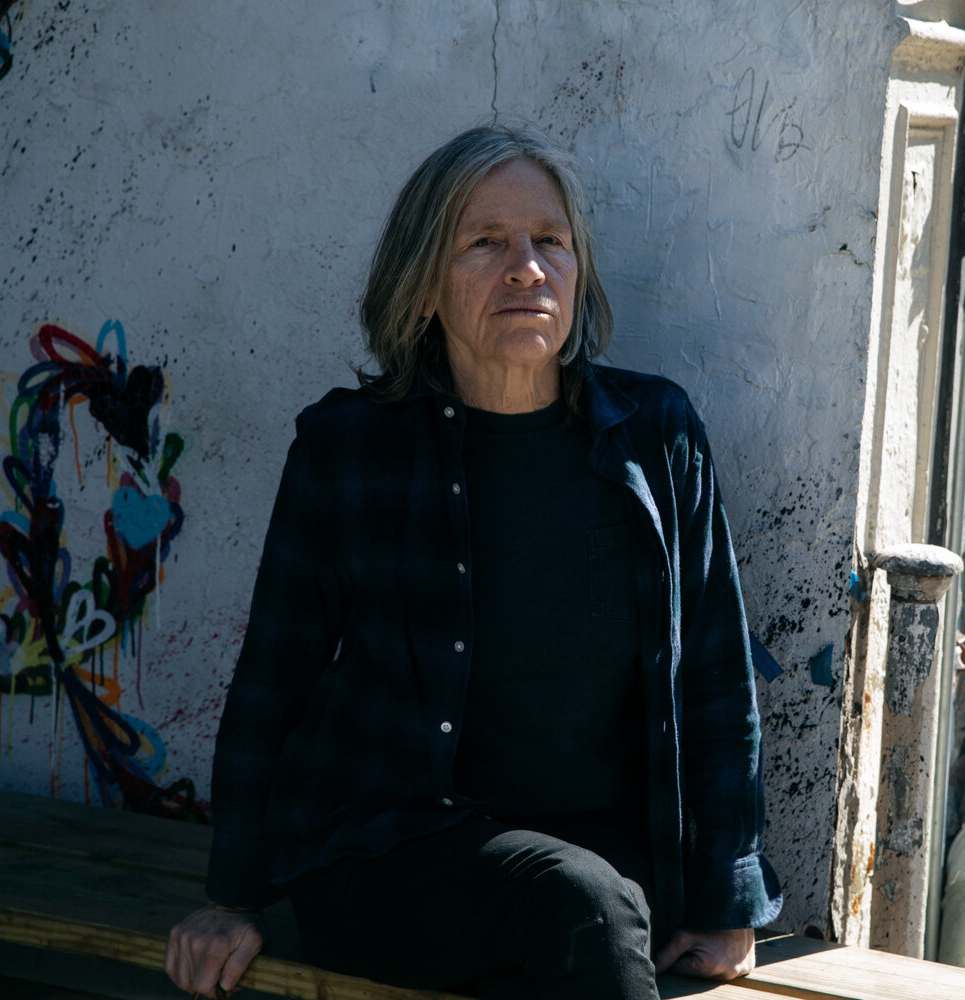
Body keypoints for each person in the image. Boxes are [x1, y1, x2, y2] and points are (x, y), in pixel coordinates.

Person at [164, 120, 782, 1000]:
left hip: (605, 862)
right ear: (422, 286)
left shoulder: (655, 438)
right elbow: (276, 676)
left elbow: (717, 674)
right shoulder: (350, 449)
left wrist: (728, 898)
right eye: (485, 242)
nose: (527, 268)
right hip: (395, 853)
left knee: (577, 921)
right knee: (578, 910)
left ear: (578, 273)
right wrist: (232, 895)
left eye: (551, 242)